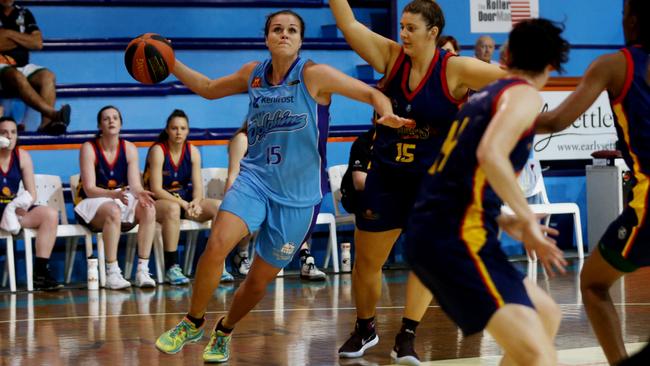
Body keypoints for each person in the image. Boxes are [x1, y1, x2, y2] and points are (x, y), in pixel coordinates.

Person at [155, 9, 410, 363]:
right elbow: (209, 89)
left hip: (299, 196)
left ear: (301, 40)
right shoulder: (253, 74)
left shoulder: (314, 75)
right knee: (217, 244)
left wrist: (385, 113)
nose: (284, 34)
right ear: (267, 38)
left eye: (292, 30)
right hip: (255, 179)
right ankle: (192, 321)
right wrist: (172, 64)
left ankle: (224, 330)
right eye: (277, 29)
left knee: (258, 281)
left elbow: (371, 94)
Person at [329, 0, 505, 363]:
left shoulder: (456, 68)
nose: (403, 33)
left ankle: (407, 335)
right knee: (366, 262)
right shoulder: (392, 58)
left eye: (411, 27)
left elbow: (514, 83)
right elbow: (348, 23)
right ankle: (365, 328)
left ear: (433, 32)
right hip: (388, 176)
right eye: (402, 26)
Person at [406, 18, 569, 365]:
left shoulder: (485, 98)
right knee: (539, 355)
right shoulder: (523, 94)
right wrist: (526, 220)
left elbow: (460, 173)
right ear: (552, 66)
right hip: (453, 239)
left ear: (507, 53)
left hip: (453, 230)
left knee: (547, 316)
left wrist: (499, 216)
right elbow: (490, 154)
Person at [536, 0, 649, 363]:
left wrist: (498, 106)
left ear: (631, 19)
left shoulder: (616, 65)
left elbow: (554, 123)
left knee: (593, 283)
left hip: (648, 207)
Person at [227, 122, 327, 281]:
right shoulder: (243, 138)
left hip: (273, 194)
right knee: (253, 209)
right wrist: (231, 200)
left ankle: (305, 257)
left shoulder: (277, 140)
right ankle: (242, 254)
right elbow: (233, 174)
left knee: (295, 213)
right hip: (248, 192)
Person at [74, 105, 157, 290]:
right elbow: (89, 189)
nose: (111, 121)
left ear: (120, 123)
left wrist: (140, 192)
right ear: (99, 125)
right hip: (91, 202)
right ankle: (112, 272)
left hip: (118, 197)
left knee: (149, 207)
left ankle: (142, 271)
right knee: (113, 209)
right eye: (106, 118)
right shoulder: (89, 148)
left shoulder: (129, 148)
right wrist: (113, 194)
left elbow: (134, 185)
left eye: (115, 118)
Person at [144, 109, 221, 285]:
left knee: (218, 206)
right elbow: (156, 189)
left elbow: (198, 187)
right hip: (159, 203)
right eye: (174, 128)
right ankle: (171, 267)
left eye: (182, 128)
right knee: (172, 209)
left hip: (184, 201)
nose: (178, 132)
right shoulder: (158, 150)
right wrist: (184, 204)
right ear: (167, 130)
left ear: (188, 131)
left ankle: (216, 263)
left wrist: (195, 202)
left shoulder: (193, 151)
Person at [0, 116, 61, 290]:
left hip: (13, 209)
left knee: (50, 214)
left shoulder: (22, 156)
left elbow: (31, 193)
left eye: (13, 132)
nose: (9, 136)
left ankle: (40, 273)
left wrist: (19, 205)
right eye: (4, 132)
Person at [0, 0, 70, 134]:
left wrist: (8, 34)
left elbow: (37, 43)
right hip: (2, 66)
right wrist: (24, 40)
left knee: (48, 76)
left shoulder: (24, 13)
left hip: (22, 66)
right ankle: (53, 114)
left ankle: (45, 124)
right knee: (17, 76)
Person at [340, 126, 374, 214]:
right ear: (373, 121)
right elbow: (360, 183)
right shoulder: (364, 142)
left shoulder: (396, 141)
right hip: (355, 196)